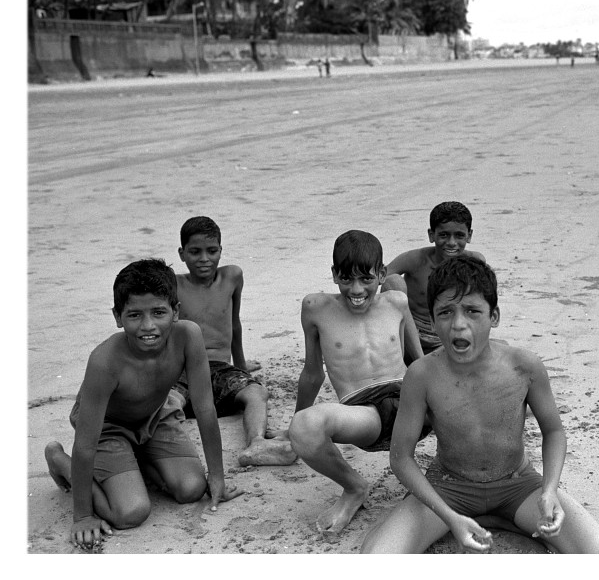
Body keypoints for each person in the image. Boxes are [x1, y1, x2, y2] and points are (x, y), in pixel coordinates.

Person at [360, 255, 599, 553]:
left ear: (494, 316)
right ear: (430, 319)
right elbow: (401, 457)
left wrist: (549, 490)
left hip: (518, 485)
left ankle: (501, 514)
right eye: (445, 312)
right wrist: (450, 517)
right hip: (448, 487)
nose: (458, 324)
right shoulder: (421, 375)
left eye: (472, 311)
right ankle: (489, 517)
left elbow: (554, 432)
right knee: (376, 557)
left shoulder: (524, 366)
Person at [44, 259, 242, 551]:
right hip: (108, 429)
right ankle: (61, 461)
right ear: (117, 316)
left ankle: (136, 461)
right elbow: (86, 444)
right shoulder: (104, 361)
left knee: (192, 489)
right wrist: (83, 515)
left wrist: (218, 477)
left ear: (175, 310)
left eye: (159, 312)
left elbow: (204, 409)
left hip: (156, 416)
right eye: (135, 315)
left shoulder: (188, 336)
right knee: (130, 513)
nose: (148, 326)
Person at [286, 230, 426, 534]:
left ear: (381, 275)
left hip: (411, 401)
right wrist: (293, 427)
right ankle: (353, 487)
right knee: (303, 427)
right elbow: (313, 372)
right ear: (334, 275)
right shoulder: (316, 308)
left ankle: (450, 476)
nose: (356, 289)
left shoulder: (397, 302)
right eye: (346, 279)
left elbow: (420, 362)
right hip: (364, 413)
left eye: (366, 279)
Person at [172, 216, 295, 467]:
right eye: (195, 252)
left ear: (221, 250)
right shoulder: (173, 284)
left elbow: (234, 325)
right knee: (170, 402)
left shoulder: (232, 277)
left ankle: (257, 443)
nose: (204, 259)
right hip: (184, 371)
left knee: (257, 392)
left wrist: (240, 369)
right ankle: (167, 452)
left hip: (221, 370)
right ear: (182, 253)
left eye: (212, 251)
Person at [384, 201, 485, 356]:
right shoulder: (416, 260)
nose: (451, 243)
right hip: (407, 334)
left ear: (469, 236)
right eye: (444, 235)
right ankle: (419, 360)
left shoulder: (474, 263)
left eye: (459, 236)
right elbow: (378, 278)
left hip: (445, 335)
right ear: (432, 235)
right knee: (393, 282)